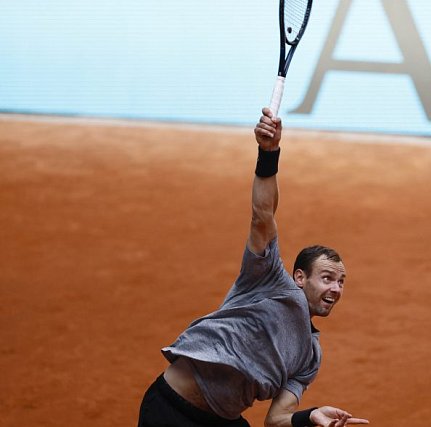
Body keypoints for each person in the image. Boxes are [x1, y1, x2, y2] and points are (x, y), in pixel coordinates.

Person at [137, 108, 369, 427]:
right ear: (299, 277)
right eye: (327, 278)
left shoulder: (310, 356)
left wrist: (310, 416)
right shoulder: (269, 280)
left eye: (341, 282)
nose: (336, 288)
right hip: (173, 411)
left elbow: (276, 420)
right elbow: (262, 216)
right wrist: (268, 152)